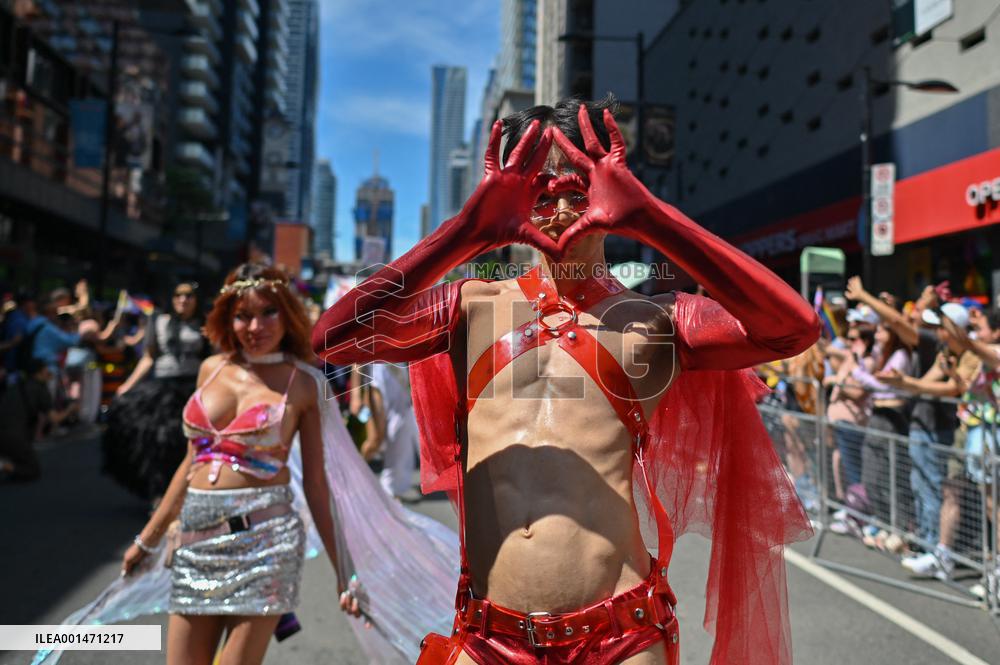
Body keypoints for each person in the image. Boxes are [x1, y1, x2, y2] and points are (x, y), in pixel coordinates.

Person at [313, 97, 820, 665]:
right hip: (487, 637)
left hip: (621, 635)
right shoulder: (472, 306)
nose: (558, 207)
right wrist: (466, 231)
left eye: (578, 188)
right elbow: (331, 338)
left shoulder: (656, 321)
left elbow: (793, 330)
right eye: (538, 191)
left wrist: (650, 217)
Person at [35, 265, 461, 665]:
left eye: (268, 313)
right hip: (195, 542)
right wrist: (147, 539)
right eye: (243, 316)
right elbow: (190, 464)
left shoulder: (304, 383)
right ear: (226, 317)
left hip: (266, 544)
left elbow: (317, 485)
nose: (255, 327)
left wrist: (345, 572)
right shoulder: (211, 369)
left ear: (288, 314)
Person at [877, 303, 979, 562]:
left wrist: (906, 383)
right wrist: (905, 383)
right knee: (923, 485)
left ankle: (935, 547)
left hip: (958, 431)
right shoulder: (945, 350)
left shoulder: (971, 354)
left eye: (942, 326)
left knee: (937, 487)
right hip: (953, 431)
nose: (938, 331)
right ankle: (928, 544)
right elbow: (929, 382)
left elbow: (951, 390)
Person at [102, 282, 210, 502]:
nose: (183, 300)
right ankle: (159, 493)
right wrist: (127, 386)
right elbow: (149, 357)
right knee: (157, 441)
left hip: (193, 390)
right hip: (163, 389)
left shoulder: (204, 325)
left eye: (189, 296)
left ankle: (186, 492)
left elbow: (213, 358)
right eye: (178, 295)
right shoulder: (159, 321)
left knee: (187, 443)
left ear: (196, 300)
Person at [0, 359, 78, 481]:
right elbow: (54, 419)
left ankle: (8, 463)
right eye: (46, 368)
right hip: (14, 435)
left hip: (7, 430)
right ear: (40, 372)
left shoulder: (17, 385)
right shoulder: (40, 390)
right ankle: (3, 465)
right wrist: (70, 409)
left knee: (19, 456)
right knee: (32, 469)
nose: (49, 371)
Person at [353, 362, 420, 499]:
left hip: (399, 381)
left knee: (399, 435)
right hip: (376, 383)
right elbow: (357, 360)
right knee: (375, 440)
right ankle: (353, 479)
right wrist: (355, 396)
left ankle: (392, 489)